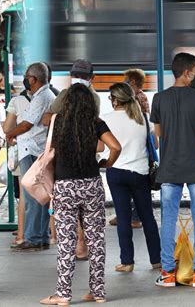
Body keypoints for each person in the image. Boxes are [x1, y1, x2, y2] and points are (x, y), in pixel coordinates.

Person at [39, 84, 121, 305]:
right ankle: (98, 292)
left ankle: (63, 294)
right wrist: (107, 163)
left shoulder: (57, 122)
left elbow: (51, 151)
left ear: (66, 102)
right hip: (91, 185)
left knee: (66, 241)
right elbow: (115, 147)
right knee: (96, 240)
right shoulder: (95, 123)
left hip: (65, 186)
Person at [151, 52, 195, 288]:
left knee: (168, 219)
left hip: (170, 168)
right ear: (187, 72)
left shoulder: (159, 99)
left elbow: (158, 134)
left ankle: (167, 273)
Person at [43, 59, 100, 259]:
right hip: (88, 162)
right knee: (88, 210)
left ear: (71, 76)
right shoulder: (95, 98)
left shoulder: (65, 95)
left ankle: (76, 245)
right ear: (92, 78)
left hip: (66, 161)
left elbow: (48, 118)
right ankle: (84, 245)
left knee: (70, 209)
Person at [104, 82, 161, 272]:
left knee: (123, 217)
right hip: (140, 173)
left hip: (116, 172)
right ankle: (157, 259)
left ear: (114, 99)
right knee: (147, 217)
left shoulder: (105, 119)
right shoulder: (144, 118)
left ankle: (127, 262)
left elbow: (100, 148)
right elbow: (155, 145)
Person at [6, 62, 55, 252]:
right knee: (39, 194)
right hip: (35, 150)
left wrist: (11, 133)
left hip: (33, 151)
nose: (25, 80)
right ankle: (40, 236)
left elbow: (27, 125)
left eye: (27, 76)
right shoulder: (42, 95)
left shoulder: (42, 96)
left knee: (32, 195)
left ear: (33, 79)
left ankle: (34, 238)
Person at [108, 68, 150, 229]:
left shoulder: (138, 98)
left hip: (132, 153)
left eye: (126, 80)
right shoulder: (141, 97)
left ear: (132, 82)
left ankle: (133, 217)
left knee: (132, 190)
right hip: (134, 152)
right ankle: (126, 215)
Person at [3, 90, 31, 247]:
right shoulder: (51, 96)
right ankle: (51, 232)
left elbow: (7, 128)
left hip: (23, 150)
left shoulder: (17, 101)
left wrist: (12, 133)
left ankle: (21, 234)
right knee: (48, 193)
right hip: (44, 152)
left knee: (24, 194)